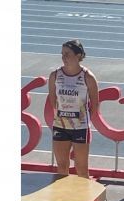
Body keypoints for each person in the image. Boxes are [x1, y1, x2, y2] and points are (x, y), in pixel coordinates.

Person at [48, 39, 99, 179]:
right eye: (62, 54)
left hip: (80, 128)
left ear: (78, 56)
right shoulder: (55, 75)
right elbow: (53, 100)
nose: (64, 57)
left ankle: (84, 199)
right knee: (62, 166)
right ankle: (62, 199)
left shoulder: (87, 76)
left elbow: (95, 104)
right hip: (60, 125)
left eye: (67, 54)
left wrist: (82, 119)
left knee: (81, 168)